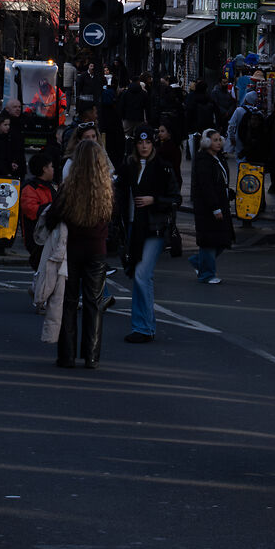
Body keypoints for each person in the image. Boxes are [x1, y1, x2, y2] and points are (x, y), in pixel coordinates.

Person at [48, 136, 115, 369]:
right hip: (96, 249)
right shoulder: (106, 187)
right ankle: (92, 356)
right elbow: (109, 217)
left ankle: (66, 355)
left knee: (68, 302)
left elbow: (54, 215)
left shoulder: (69, 187)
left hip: (72, 248)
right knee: (93, 303)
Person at [120, 130, 178, 343]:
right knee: (137, 274)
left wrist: (154, 200)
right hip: (134, 226)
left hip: (155, 227)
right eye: (140, 142)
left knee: (142, 274)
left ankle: (145, 327)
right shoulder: (129, 166)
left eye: (147, 142)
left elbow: (175, 198)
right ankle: (141, 325)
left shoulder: (163, 167)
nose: (144, 146)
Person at [186, 128, 232, 285]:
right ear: (206, 142)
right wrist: (215, 207)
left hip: (220, 203)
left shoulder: (218, 158)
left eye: (219, 139)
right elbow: (206, 186)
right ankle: (207, 273)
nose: (218, 143)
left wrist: (228, 193)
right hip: (207, 208)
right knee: (210, 241)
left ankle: (198, 261)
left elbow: (220, 181)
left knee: (221, 240)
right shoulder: (203, 160)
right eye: (215, 140)